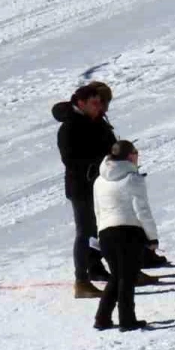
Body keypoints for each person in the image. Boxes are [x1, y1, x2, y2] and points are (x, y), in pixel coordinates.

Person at [53, 82, 117, 298]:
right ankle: (81, 281)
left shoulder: (96, 121)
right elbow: (71, 160)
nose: (100, 107)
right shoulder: (70, 127)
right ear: (81, 103)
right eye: (95, 103)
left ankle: (99, 268)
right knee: (85, 231)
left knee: (103, 229)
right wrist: (100, 163)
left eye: (101, 102)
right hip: (82, 188)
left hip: (101, 184)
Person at [91, 141, 159, 331]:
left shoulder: (99, 181)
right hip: (128, 233)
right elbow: (142, 210)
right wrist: (152, 238)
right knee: (127, 278)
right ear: (130, 156)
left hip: (106, 233)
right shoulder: (133, 178)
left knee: (116, 276)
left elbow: (97, 211)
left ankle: (102, 318)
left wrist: (99, 234)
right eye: (136, 153)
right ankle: (127, 320)